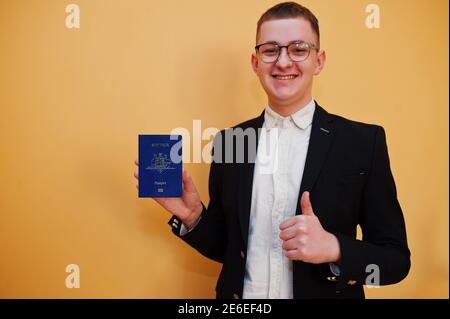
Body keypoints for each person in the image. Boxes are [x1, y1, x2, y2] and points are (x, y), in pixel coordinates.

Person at [134, 2, 410, 299]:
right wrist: (193, 217)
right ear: (255, 63)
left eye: (298, 48)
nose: (283, 61)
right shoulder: (229, 141)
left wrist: (334, 247)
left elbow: (395, 262)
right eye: (270, 50)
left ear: (319, 61)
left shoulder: (362, 142)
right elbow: (231, 251)